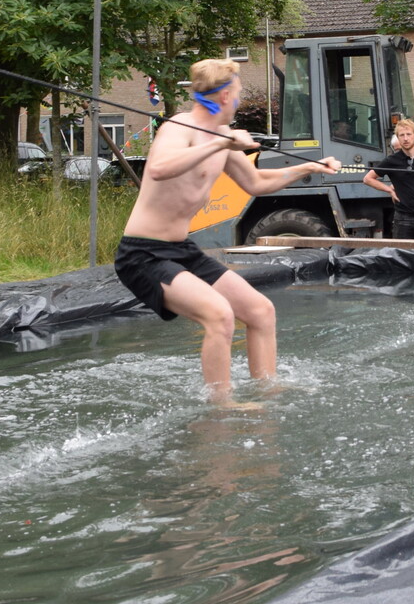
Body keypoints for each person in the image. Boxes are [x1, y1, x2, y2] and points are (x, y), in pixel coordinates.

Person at [113, 59, 339, 403]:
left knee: (260, 311)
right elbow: (158, 168)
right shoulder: (180, 127)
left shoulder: (221, 139)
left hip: (182, 250)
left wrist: (308, 168)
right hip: (142, 253)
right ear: (224, 97)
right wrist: (221, 144)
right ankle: (222, 405)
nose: (239, 99)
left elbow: (256, 183)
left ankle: (267, 388)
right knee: (219, 315)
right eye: (238, 93)